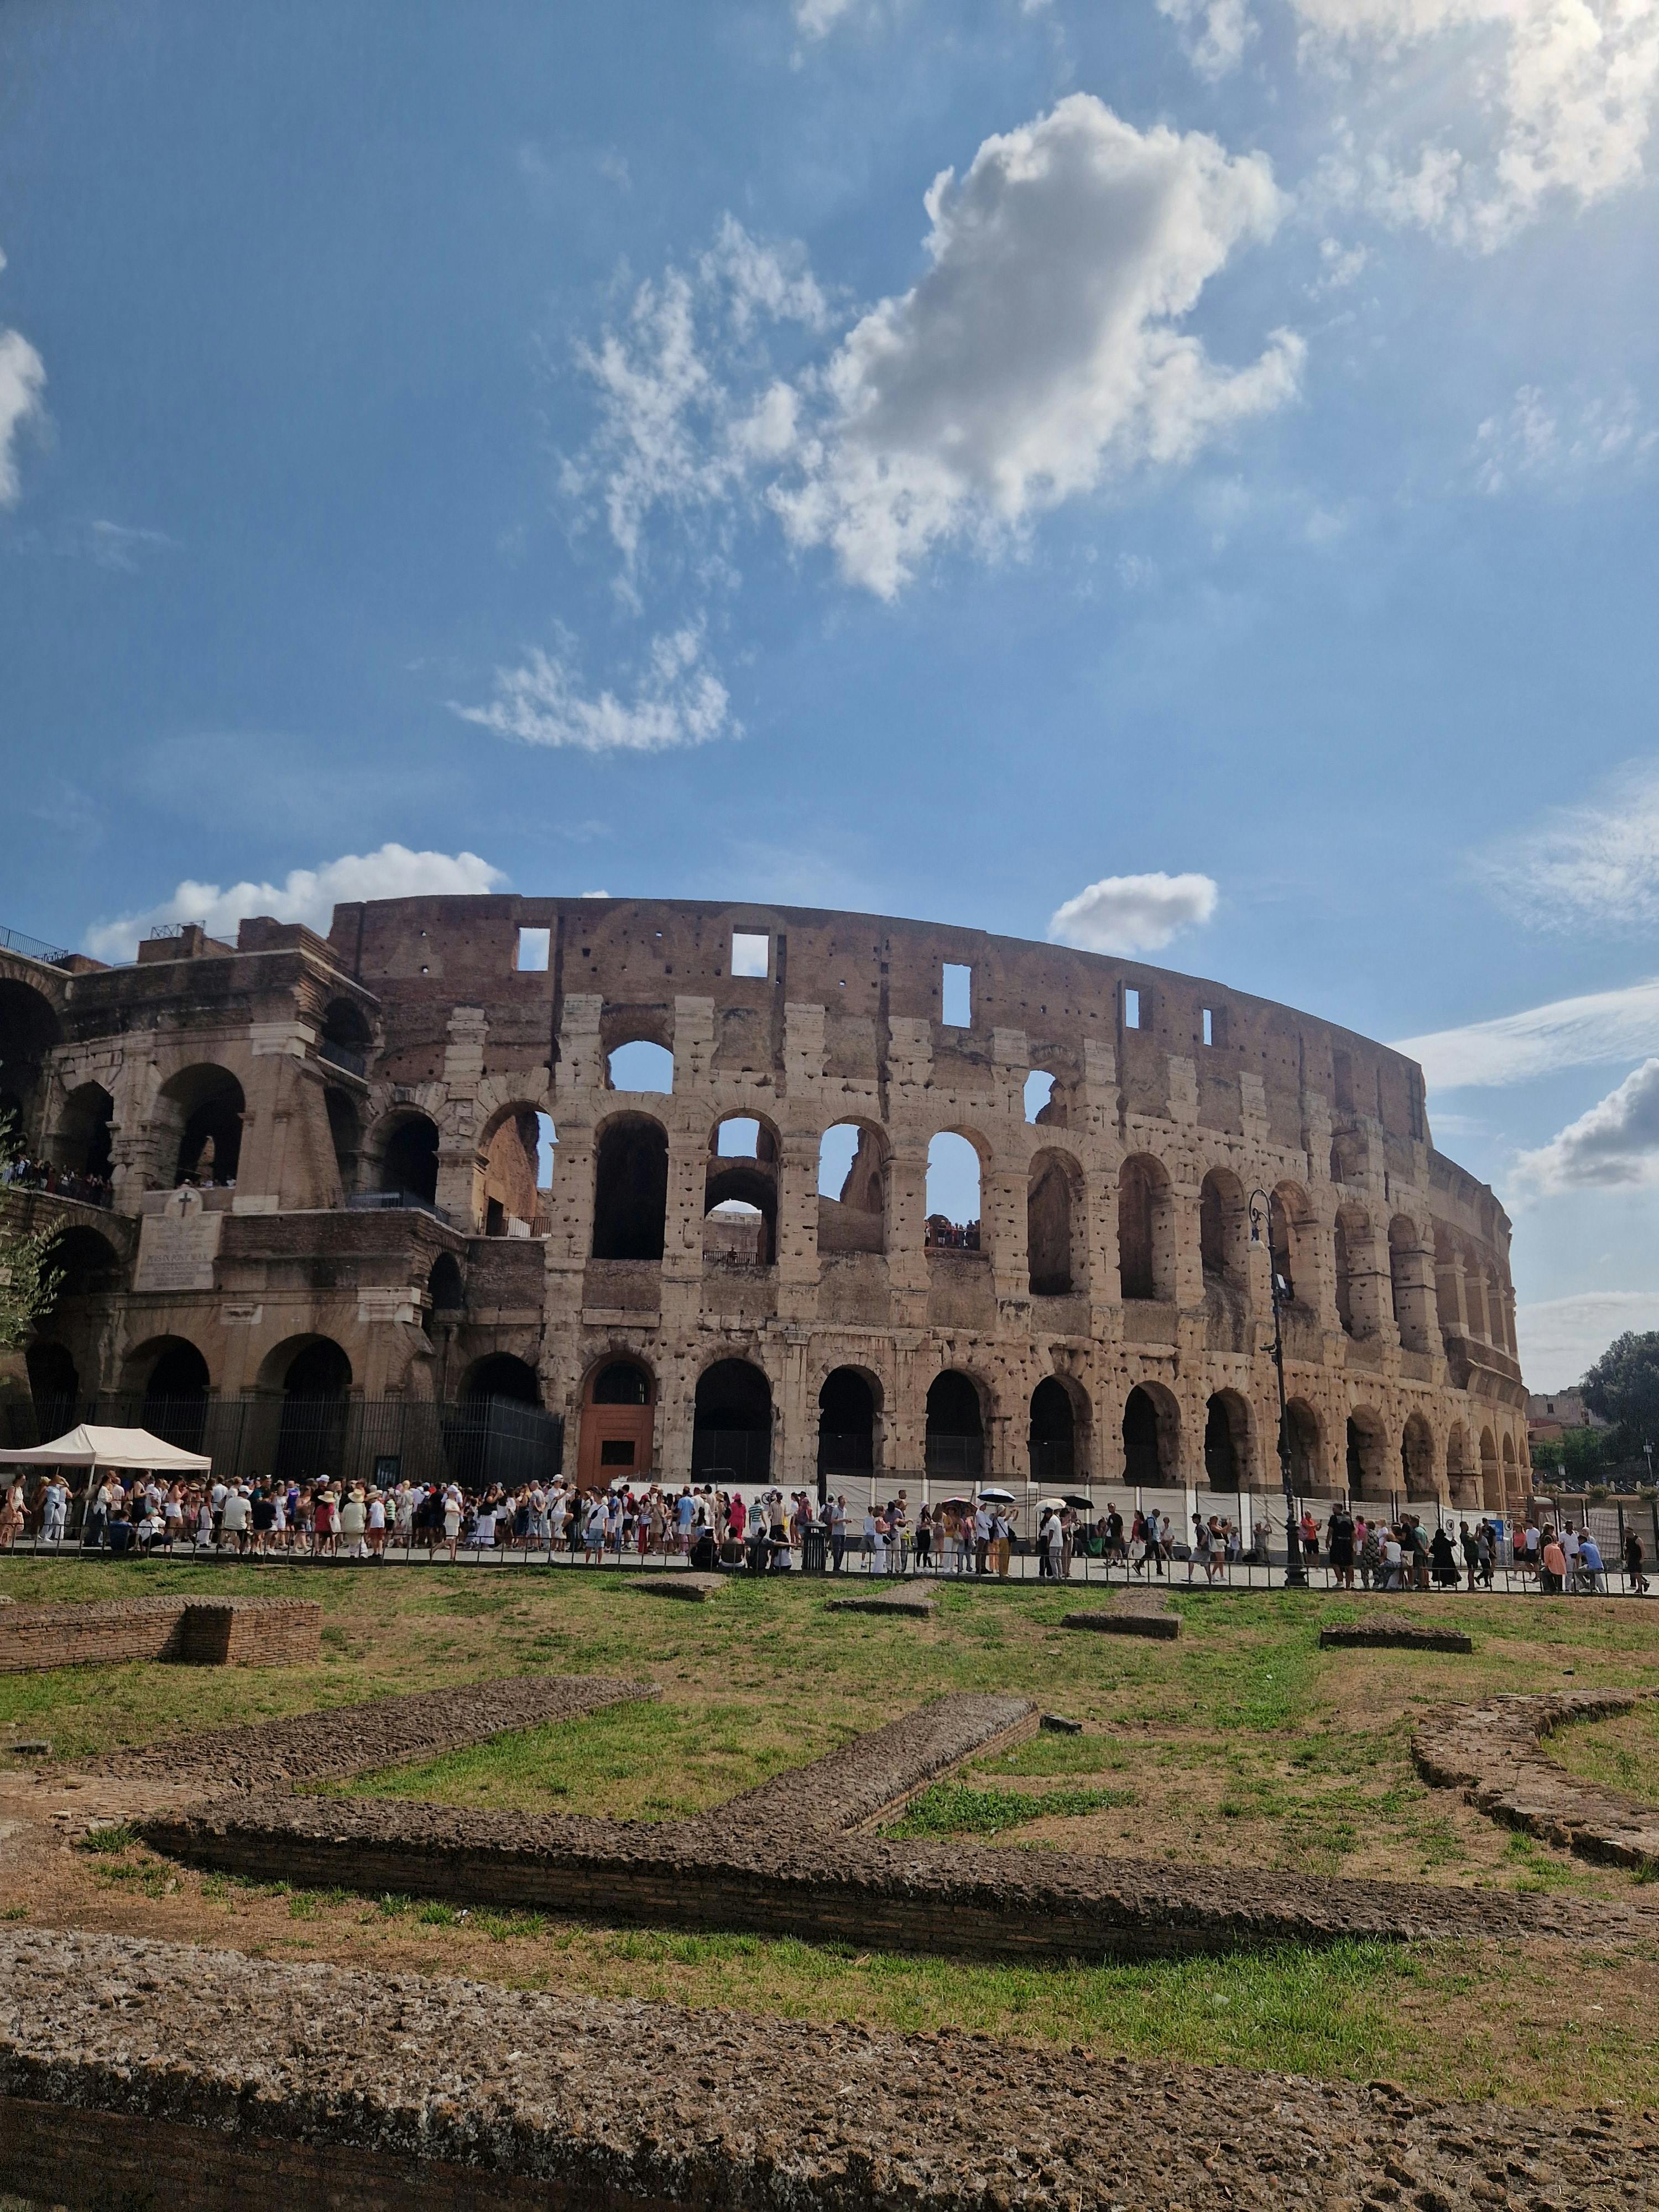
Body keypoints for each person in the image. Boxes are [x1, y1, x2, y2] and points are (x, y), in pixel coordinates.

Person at [1624, 1527, 1649, 1597]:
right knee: (1633, 1574)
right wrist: (1627, 1559)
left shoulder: (1638, 1539)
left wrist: (1642, 1558)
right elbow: (1628, 1551)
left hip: (1637, 1559)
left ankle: (1640, 1588)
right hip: (1631, 1559)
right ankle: (1645, 1583)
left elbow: (1643, 1550)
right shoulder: (1628, 1540)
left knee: (1637, 1574)